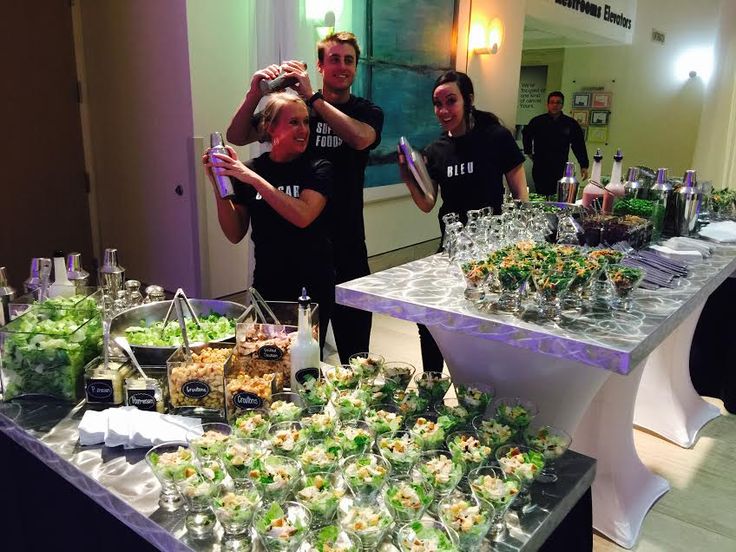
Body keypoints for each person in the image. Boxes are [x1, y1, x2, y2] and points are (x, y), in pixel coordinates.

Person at [227, 32, 383, 364]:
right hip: (299, 241)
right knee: (293, 350)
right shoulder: (299, 110)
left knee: (355, 348)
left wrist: (314, 98)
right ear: (320, 66)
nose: (342, 66)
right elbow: (237, 136)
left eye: (349, 60)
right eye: (334, 59)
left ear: (355, 67)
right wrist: (254, 94)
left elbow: (359, 139)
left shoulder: (364, 111)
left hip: (347, 240)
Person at [398, 70, 528, 372]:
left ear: (468, 100)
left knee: (481, 324)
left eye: (451, 101)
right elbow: (428, 204)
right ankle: (431, 383)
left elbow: (520, 190)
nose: (443, 110)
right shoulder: (436, 150)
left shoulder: (496, 137)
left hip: (491, 252)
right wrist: (408, 176)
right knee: (429, 317)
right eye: (437, 103)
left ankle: (479, 386)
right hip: (451, 250)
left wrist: (523, 240)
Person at [205, 92, 334, 350]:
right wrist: (217, 185)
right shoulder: (252, 169)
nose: (304, 129)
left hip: (312, 286)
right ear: (270, 127)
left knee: (304, 361)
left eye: (306, 122)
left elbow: (303, 216)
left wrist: (252, 178)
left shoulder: (318, 166)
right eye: (294, 122)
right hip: (268, 285)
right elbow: (234, 232)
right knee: (269, 360)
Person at [522, 91, 589, 196]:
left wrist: (584, 165)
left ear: (562, 105)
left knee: (559, 195)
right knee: (542, 195)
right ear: (547, 104)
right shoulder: (537, 121)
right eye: (552, 102)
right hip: (541, 165)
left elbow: (578, 145)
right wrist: (529, 152)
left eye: (558, 102)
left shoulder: (570, 123)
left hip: (560, 166)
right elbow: (526, 135)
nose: (555, 105)